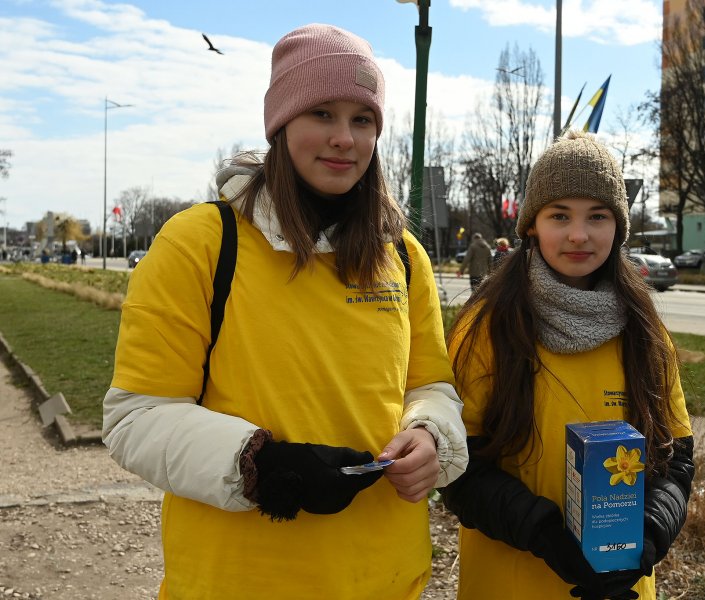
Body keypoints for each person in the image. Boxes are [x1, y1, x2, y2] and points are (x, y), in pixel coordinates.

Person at [102, 24, 467, 599]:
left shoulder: (401, 254)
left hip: (386, 576)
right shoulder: (201, 242)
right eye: (322, 113)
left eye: (362, 119)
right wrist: (261, 467)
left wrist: (431, 433)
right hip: (240, 579)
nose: (344, 138)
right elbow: (137, 416)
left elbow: (430, 385)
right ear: (281, 124)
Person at [441, 130, 694, 600]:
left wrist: (648, 536)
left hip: (623, 587)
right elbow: (457, 466)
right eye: (560, 216)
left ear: (618, 226)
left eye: (597, 216)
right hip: (510, 585)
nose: (579, 235)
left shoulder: (645, 330)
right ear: (532, 225)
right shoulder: (486, 326)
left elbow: (676, 456)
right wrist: (545, 535)